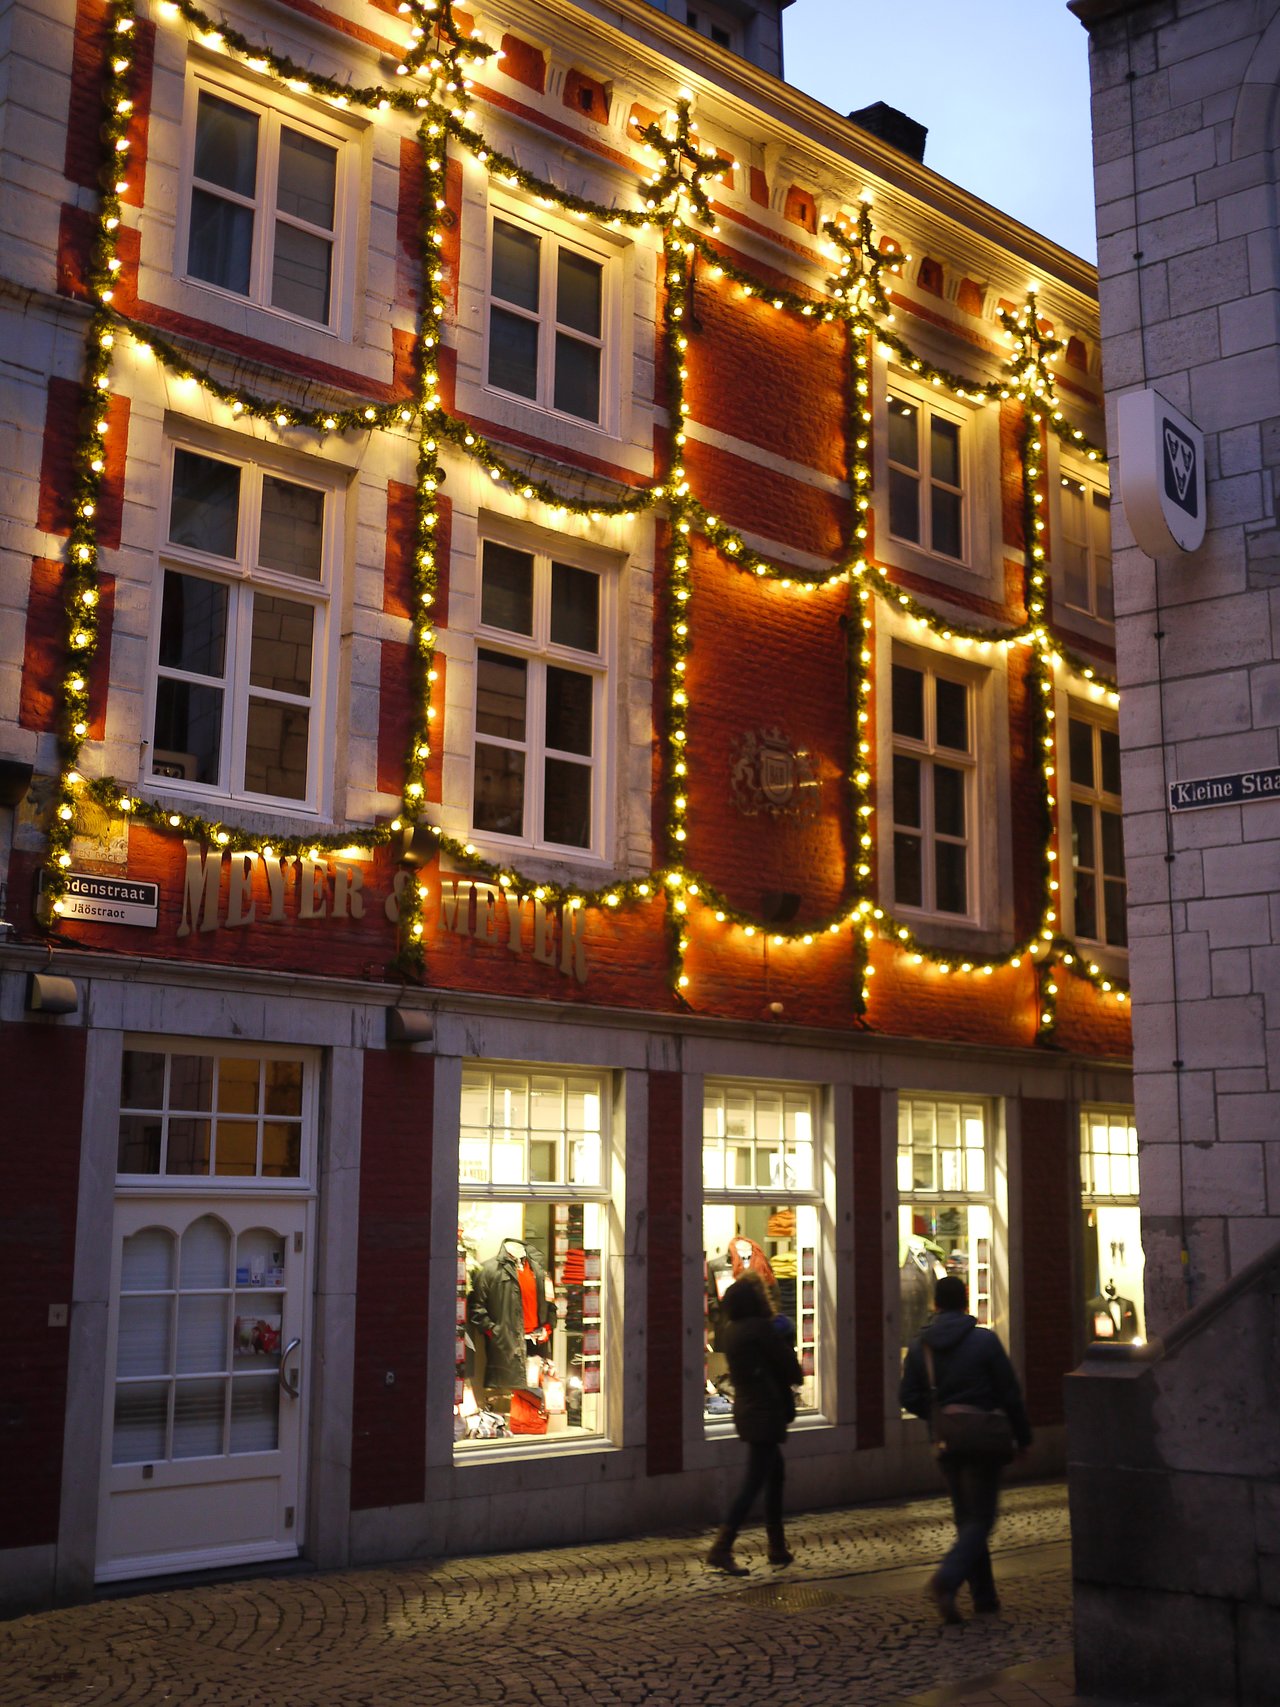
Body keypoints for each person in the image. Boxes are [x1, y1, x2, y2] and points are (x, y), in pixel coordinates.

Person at [899, 1274, 1032, 1623]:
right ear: (966, 1300)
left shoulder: (919, 1347)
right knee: (981, 1519)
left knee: (966, 1519)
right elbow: (1010, 1392)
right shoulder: (985, 1342)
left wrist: (938, 1416)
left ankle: (984, 1596)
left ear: (935, 1304)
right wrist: (1023, 1436)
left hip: (947, 1442)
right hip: (985, 1439)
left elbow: (907, 1396)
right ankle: (948, 1579)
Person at [707, 1271, 803, 1575]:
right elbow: (790, 1367)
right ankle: (722, 1547)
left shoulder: (732, 1331)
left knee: (775, 1476)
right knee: (754, 1482)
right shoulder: (760, 1329)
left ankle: (777, 1547)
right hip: (765, 1412)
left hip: (748, 1410)